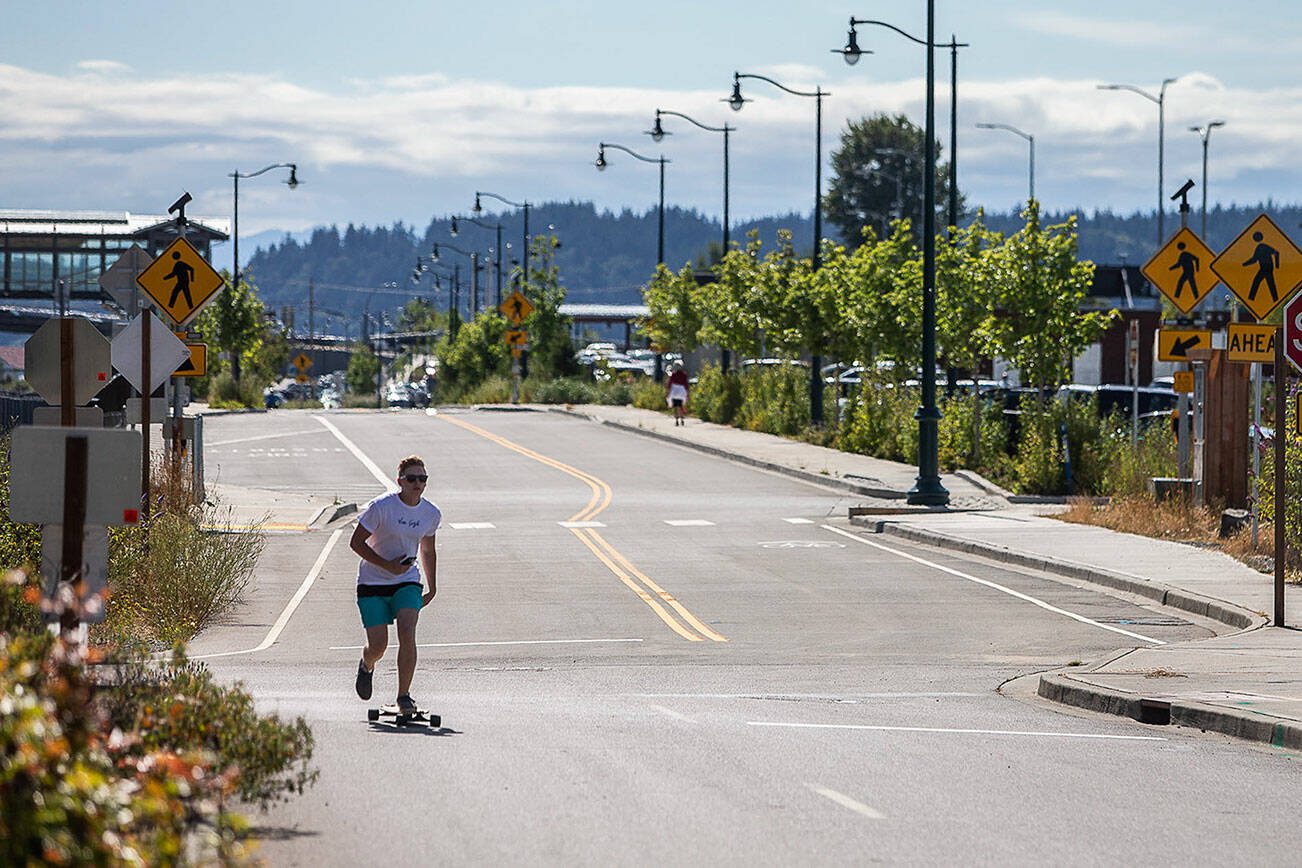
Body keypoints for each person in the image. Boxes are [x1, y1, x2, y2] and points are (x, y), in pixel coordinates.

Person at [351, 456, 441, 714]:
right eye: (411, 478)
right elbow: (356, 543)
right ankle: (367, 664)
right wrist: (387, 565)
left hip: (407, 581)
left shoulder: (430, 513)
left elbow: (428, 550)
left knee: (407, 631)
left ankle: (404, 695)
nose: (417, 483)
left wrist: (432, 587)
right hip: (372, 582)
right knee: (378, 645)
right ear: (399, 480)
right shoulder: (381, 507)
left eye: (422, 479)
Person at [666, 361, 689, 426]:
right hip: (681, 392)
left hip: (675, 392)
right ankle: (681, 419)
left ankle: (677, 420)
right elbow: (686, 384)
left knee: (676, 406)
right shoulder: (684, 374)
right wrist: (687, 392)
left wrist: (668, 390)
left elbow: (670, 383)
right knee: (680, 406)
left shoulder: (674, 374)